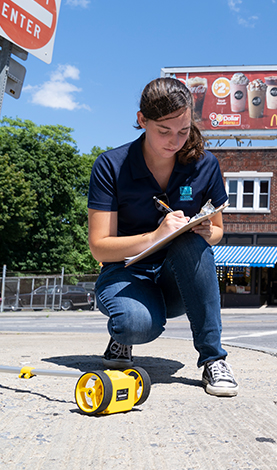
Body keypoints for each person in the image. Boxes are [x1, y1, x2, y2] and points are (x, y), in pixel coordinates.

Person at [87, 77, 237, 397]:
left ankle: (213, 358)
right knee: (135, 324)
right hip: (126, 273)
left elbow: (219, 231)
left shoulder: (205, 165)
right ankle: (122, 336)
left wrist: (207, 232)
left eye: (183, 131)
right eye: (164, 131)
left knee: (190, 241)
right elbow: (99, 248)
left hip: (176, 280)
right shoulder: (110, 165)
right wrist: (155, 235)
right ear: (142, 120)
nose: (175, 141)